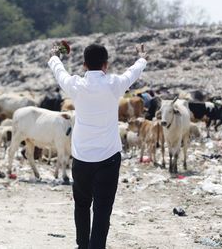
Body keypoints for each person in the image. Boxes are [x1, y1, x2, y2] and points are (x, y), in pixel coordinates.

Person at [48, 43, 148, 248]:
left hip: (82, 158)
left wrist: (54, 56)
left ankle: (82, 245)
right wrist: (141, 56)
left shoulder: (76, 85)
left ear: (84, 65)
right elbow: (133, 72)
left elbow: (59, 72)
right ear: (106, 64)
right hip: (108, 159)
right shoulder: (114, 84)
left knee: (82, 206)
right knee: (102, 210)